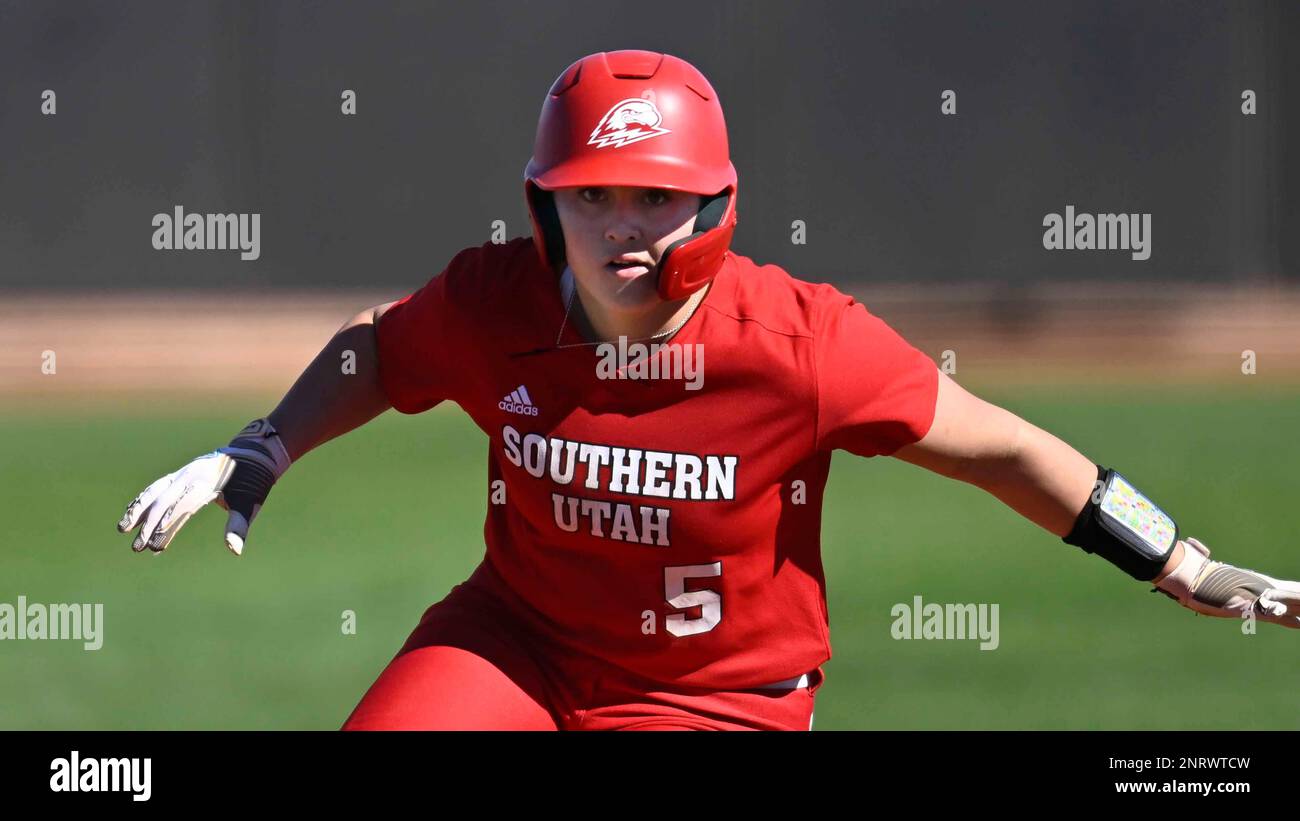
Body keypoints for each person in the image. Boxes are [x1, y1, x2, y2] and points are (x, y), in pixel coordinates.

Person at [116, 50, 1300, 731]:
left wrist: (1180, 563)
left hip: (715, 696)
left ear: (714, 205)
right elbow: (380, 348)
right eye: (591, 195)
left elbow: (1001, 449)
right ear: (545, 205)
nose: (622, 226)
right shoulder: (499, 304)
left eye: (654, 196)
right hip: (517, 644)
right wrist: (263, 443)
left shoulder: (799, 344)